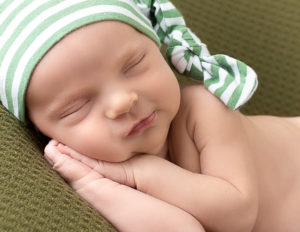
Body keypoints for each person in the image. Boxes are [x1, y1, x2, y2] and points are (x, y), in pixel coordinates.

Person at [6, 0, 299, 231]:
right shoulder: (98, 169)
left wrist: (138, 174)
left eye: (133, 65)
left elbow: (237, 215)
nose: (123, 101)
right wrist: (94, 186)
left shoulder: (203, 109)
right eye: (77, 106)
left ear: (157, 47)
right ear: (42, 130)